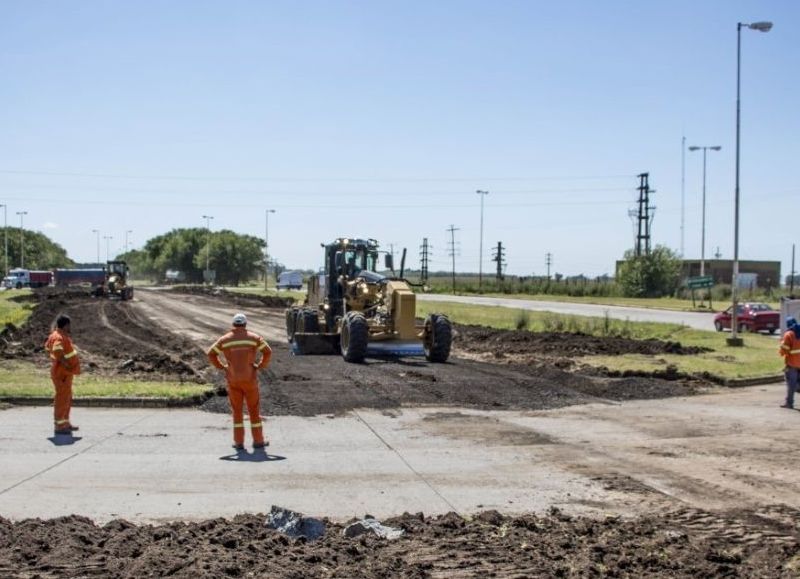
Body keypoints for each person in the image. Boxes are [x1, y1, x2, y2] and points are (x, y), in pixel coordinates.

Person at [207, 313, 272, 449]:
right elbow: (268, 351)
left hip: (233, 380)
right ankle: (258, 441)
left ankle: (239, 442)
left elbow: (211, 353)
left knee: (237, 411)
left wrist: (222, 366)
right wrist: (260, 365)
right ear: (245, 324)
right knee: (253, 410)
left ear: (233, 324)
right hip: (250, 380)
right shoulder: (254, 338)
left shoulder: (225, 339)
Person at [44, 314, 81, 434]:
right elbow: (57, 350)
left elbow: (48, 348)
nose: (70, 327)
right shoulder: (59, 337)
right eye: (69, 325)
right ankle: (60, 426)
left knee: (67, 398)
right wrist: (65, 364)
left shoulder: (56, 335)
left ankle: (65, 423)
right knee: (62, 398)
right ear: (66, 325)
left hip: (64, 373)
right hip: (62, 373)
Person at [779, 316, 800, 409]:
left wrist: (781, 350)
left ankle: (789, 403)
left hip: (793, 363)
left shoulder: (789, 334)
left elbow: (784, 349)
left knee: (791, 384)